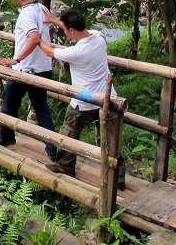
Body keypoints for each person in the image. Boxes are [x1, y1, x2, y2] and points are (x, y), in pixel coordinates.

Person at [39, 9, 120, 180]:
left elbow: (49, 51)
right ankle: (117, 177)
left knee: (69, 131)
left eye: (66, 29)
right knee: (109, 138)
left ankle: (65, 166)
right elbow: (72, 27)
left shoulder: (76, 52)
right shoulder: (99, 37)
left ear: (72, 31)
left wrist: (35, 37)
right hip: (107, 97)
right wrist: (54, 20)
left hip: (84, 100)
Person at [0, 0, 57, 160]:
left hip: (25, 69)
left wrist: (15, 59)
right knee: (41, 108)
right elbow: (49, 32)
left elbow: (34, 38)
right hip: (43, 67)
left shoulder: (26, 14)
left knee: (9, 103)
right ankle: (53, 149)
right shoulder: (42, 9)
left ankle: (6, 136)